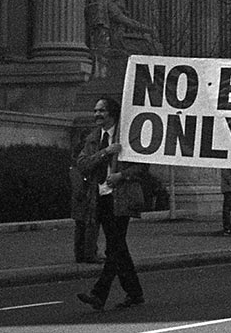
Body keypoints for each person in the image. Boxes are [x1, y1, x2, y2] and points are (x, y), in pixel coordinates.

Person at [76, 96, 147, 310]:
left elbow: (142, 167)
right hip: (101, 198)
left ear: (112, 113)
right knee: (119, 248)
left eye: (102, 111)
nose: (97, 114)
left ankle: (99, 294)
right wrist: (106, 152)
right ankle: (135, 293)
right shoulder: (94, 138)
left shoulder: (128, 135)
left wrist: (121, 176)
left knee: (114, 248)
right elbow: (82, 164)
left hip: (121, 199)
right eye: (96, 110)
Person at [70, 129, 100, 263]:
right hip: (87, 189)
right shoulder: (88, 148)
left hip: (79, 189)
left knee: (81, 223)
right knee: (90, 222)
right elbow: (86, 165)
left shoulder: (79, 150)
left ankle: (80, 254)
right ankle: (89, 253)